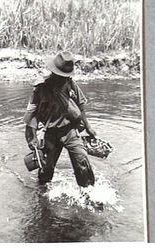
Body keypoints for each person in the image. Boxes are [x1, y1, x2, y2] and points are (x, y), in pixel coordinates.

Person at [23, 51, 97, 187]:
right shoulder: (41, 88)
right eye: (61, 76)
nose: (63, 79)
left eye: (66, 76)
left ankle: (89, 192)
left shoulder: (70, 84)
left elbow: (81, 106)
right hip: (50, 133)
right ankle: (42, 194)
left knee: (82, 160)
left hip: (70, 130)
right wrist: (31, 137)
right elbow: (31, 114)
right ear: (54, 72)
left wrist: (88, 127)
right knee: (46, 169)